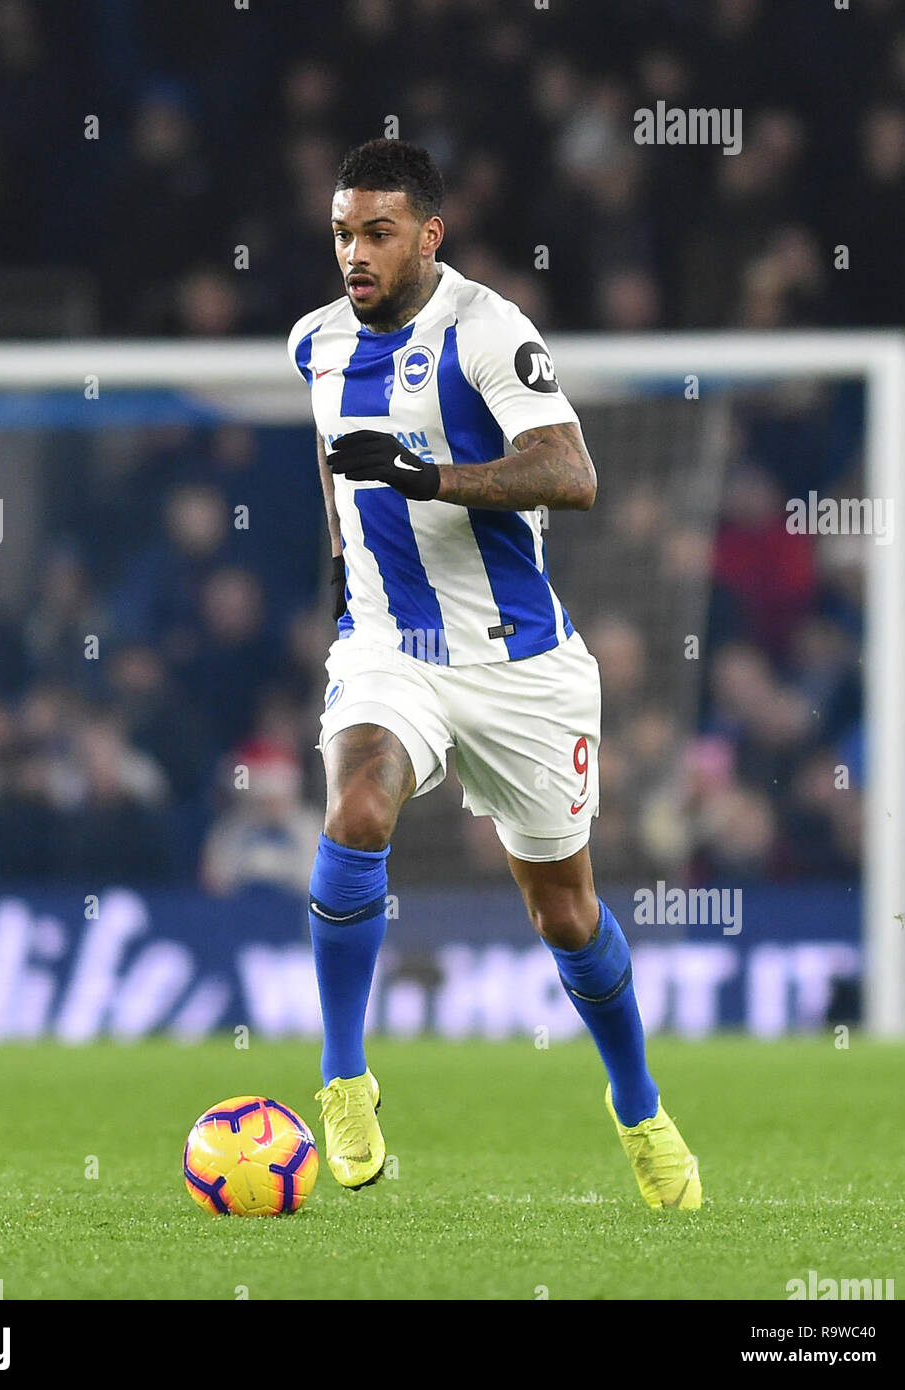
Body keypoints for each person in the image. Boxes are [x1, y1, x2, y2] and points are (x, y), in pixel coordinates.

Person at [286, 138, 700, 1209]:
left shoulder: (487, 328)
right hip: (390, 649)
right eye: (341, 232)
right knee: (357, 804)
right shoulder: (315, 345)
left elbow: (570, 472)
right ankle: (341, 1078)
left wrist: (423, 474)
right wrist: (343, 566)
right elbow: (333, 468)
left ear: (429, 233)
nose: (354, 253)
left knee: (563, 914)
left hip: (520, 664)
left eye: (377, 232)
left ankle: (636, 1103)